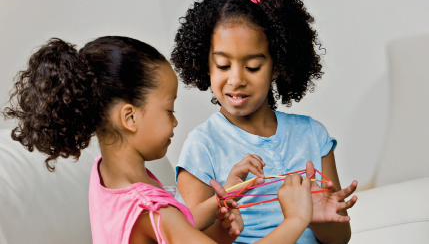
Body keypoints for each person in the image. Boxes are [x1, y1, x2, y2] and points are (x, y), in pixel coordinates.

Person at [3, 36, 317, 244]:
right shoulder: (149, 210)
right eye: (169, 109)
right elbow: (169, 224)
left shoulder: (108, 177)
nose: (176, 121)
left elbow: (178, 231)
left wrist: (220, 208)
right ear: (130, 117)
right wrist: (297, 217)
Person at [171, 0, 358, 244]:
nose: (236, 79)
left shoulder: (313, 135)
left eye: (253, 67)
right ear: (206, 65)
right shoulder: (202, 146)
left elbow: (340, 238)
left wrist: (313, 216)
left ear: (277, 66)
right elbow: (189, 239)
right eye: (223, 65)